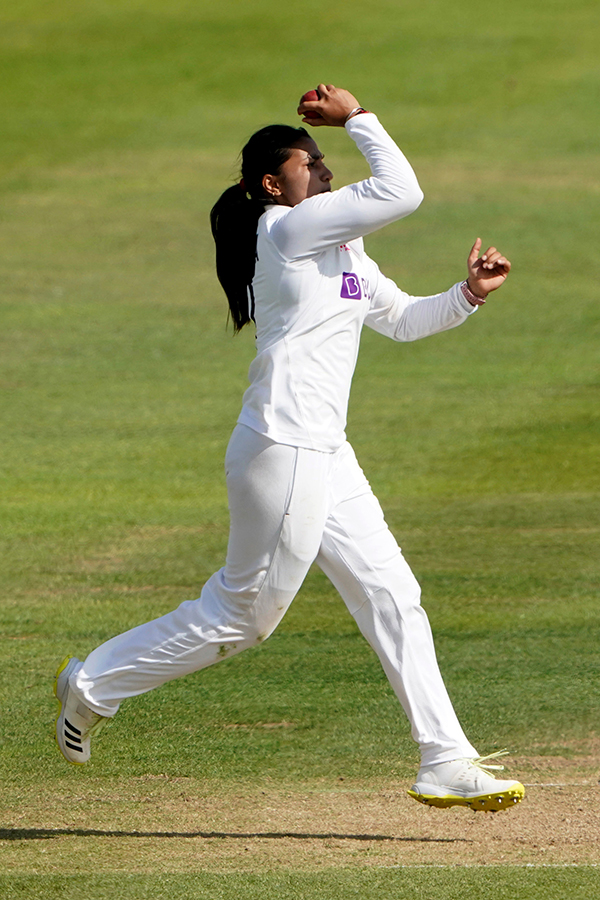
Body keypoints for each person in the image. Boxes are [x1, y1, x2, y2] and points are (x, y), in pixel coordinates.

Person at [54, 84, 524, 812]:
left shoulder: (339, 247)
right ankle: (90, 685)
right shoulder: (284, 229)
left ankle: (445, 759)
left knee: (394, 595)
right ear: (275, 184)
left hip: (326, 453)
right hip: (283, 449)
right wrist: (358, 116)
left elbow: (400, 319)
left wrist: (468, 294)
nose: (327, 169)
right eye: (314, 161)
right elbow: (403, 191)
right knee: (242, 620)